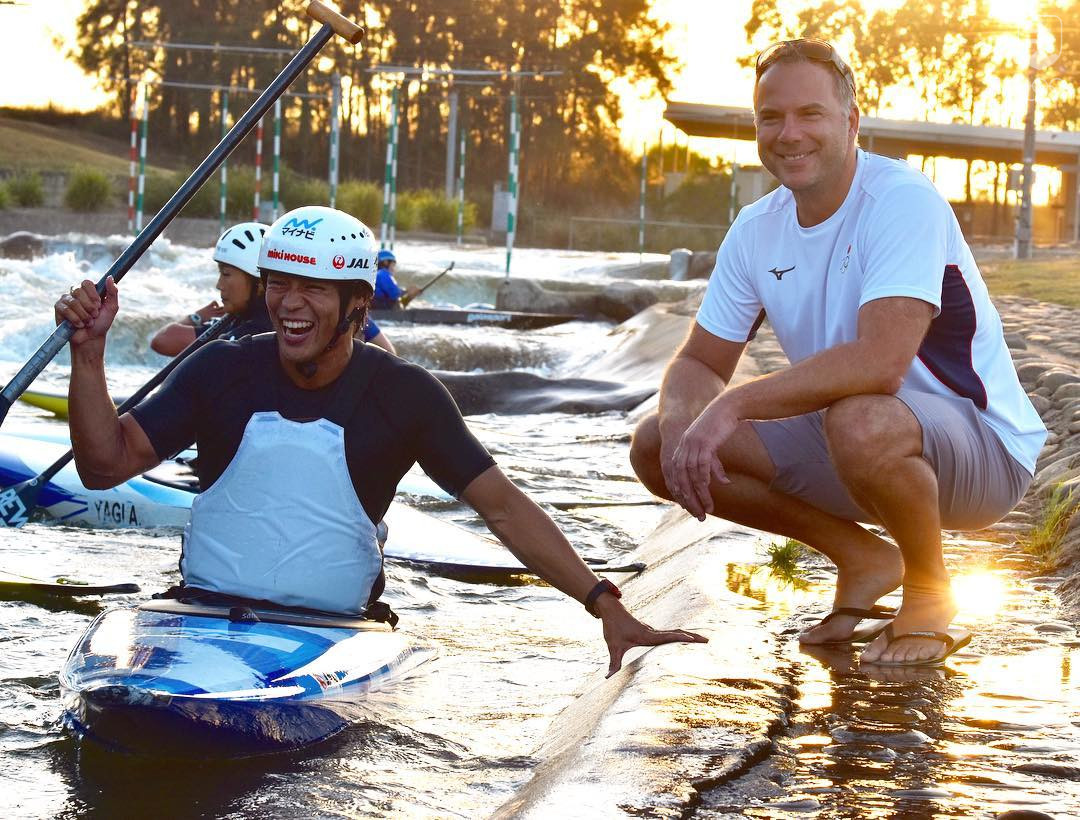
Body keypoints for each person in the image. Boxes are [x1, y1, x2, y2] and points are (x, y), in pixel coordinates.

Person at [56, 205, 704, 676]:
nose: (289, 302)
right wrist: (90, 355)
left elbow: (503, 507)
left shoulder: (406, 396)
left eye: (313, 287)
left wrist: (604, 603)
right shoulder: (220, 368)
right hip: (199, 621)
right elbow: (103, 466)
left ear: (358, 302)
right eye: (279, 282)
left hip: (333, 642)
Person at [629, 39, 1046, 667]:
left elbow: (881, 362)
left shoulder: (902, 200)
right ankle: (863, 556)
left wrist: (732, 406)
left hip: (980, 449)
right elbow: (698, 363)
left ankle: (932, 591)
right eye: (771, 117)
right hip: (852, 440)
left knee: (860, 415)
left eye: (810, 114)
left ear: (850, 123)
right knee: (659, 444)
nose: (789, 133)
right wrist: (684, 419)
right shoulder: (756, 228)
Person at [151, 221, 396, 356]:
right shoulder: (237, 323)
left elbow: (164, 341)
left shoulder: (255, 331)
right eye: (280, 284)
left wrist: (196, 317)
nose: (219, 285)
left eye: (226, 274)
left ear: (258, 282)